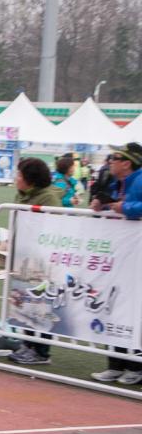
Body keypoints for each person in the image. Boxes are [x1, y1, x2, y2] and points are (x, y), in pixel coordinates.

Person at [88, 143, 142, 385]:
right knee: (113, 306)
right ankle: (115, 363)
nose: (110, 161)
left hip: (135, 256)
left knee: (134, 310)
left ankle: (136, 366)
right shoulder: (116, 182)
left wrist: (125, 207)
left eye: (114, 157)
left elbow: (133, 207)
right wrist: (102, 206)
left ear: (127, 162)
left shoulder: (139, 181)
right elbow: (111, 204)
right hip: (119, 256)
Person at [8, 158, 68, 365]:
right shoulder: (22, 195)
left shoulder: (49, 198)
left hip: (43, 262)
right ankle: (27, 343)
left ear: (30, 179)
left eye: (19, 175)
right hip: (23, 259)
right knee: (23, 302)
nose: (16, 179)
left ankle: (41, 351)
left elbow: (52, 229)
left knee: (41, 306)